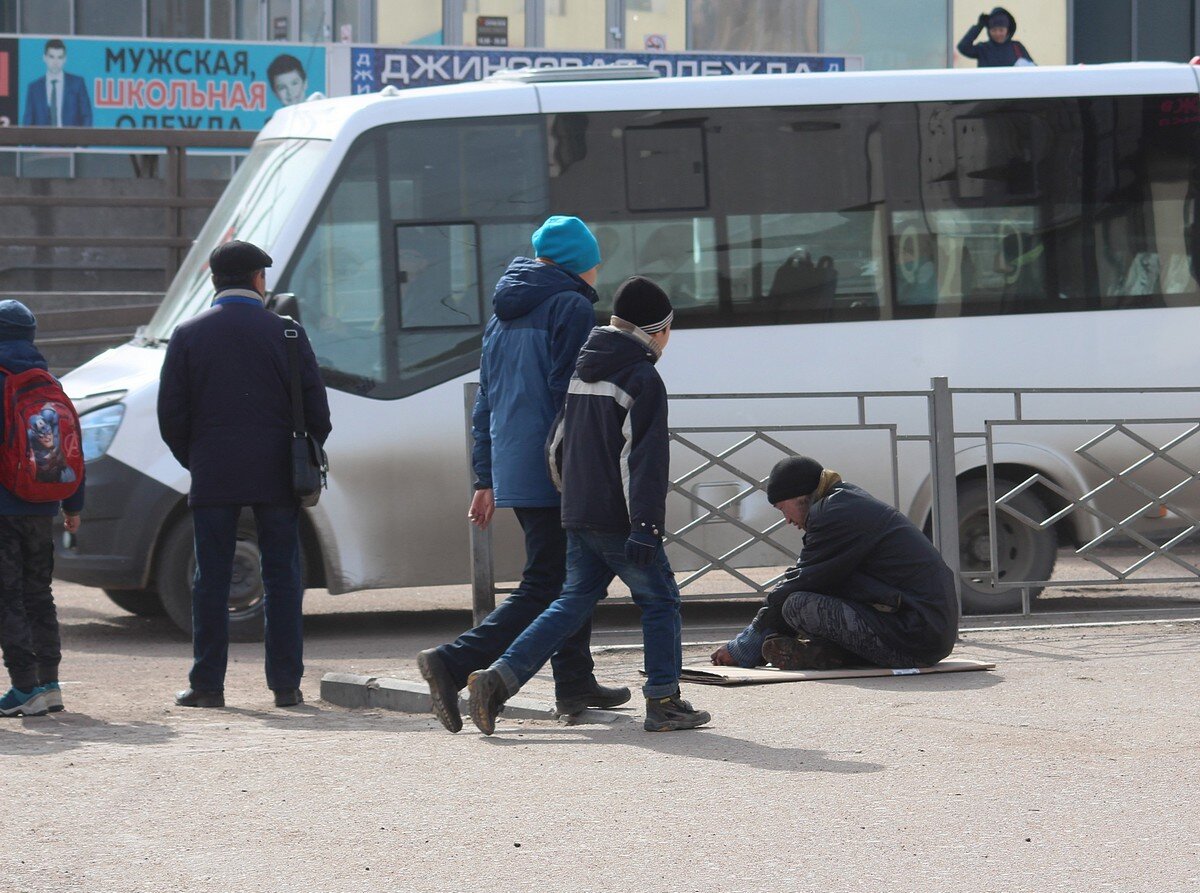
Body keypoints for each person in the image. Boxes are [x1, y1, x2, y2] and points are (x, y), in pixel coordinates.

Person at [465, 276, 711, 735]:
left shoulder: (584, 370)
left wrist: (569, 499)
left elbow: (556, 445)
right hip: (620, 519)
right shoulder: (642, 379)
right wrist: (645, 526)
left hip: (578, 513)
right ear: (657, 329)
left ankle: (498, 678)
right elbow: (644, 462)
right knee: (661, 600)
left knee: (570, 602)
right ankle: (664, 700)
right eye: (669, 329)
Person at [417, 216, 630, 733]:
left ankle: (575, 681)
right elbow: (570, 394)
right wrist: (590, 462)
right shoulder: (572, 305)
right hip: (559, 463)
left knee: (569, 575)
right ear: (582, 261)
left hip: (517, 461)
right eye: (596, 260)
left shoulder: (503, 314)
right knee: (550, 583)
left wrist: (485, 477)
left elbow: (486, 398)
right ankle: (452, 660)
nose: (599, 270)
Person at [157, 240, 331, 709]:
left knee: (209, 578)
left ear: (214, 281)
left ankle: (208, 685)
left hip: (213, 472)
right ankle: (286, 687)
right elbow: (319, 414)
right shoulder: (288, 334)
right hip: (278, 474)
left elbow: (171, 416)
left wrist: (197, 459)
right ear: (259, 279)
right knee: (282, 577)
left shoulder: (188, 335)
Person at [711, 456, 959, 672]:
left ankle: (830, 652)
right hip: (926, 632)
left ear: (800, 496)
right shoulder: (844, 503)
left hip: (915, 638)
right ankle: (829, 654)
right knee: (810, 595)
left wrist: (745, 646)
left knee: (796, 605)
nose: (786, 519)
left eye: (782, 508)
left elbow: (800, 582)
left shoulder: (834, 514)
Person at [0, 300, 84, 717]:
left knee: (8, 596)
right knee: (39, 593)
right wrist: (73, 504)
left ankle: (23, 686)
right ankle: (50, 684)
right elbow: (70, 449)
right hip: (44, 505)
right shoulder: (49, 381)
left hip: (4, 508)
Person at [22, 39, 93, 127]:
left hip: (71, 139)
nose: (55, 62)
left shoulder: (77, 83)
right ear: (44, 58)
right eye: (51, 57)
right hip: (42, 139)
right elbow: (28, 121)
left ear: (65, 59)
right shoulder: (34, 88)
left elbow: (86, 116)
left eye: (60, 57)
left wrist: (82, 140)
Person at [957, 8, 1035, 68]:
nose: (997, 33)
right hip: (988, 87)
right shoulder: (983, 48)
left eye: (1001, 30)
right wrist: (979, 26)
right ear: (989, 30)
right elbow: (963, 47)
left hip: (1012, 88)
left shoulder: (1017, 47)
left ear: (1007, 30)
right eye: (994, 30)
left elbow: (1033, 69)